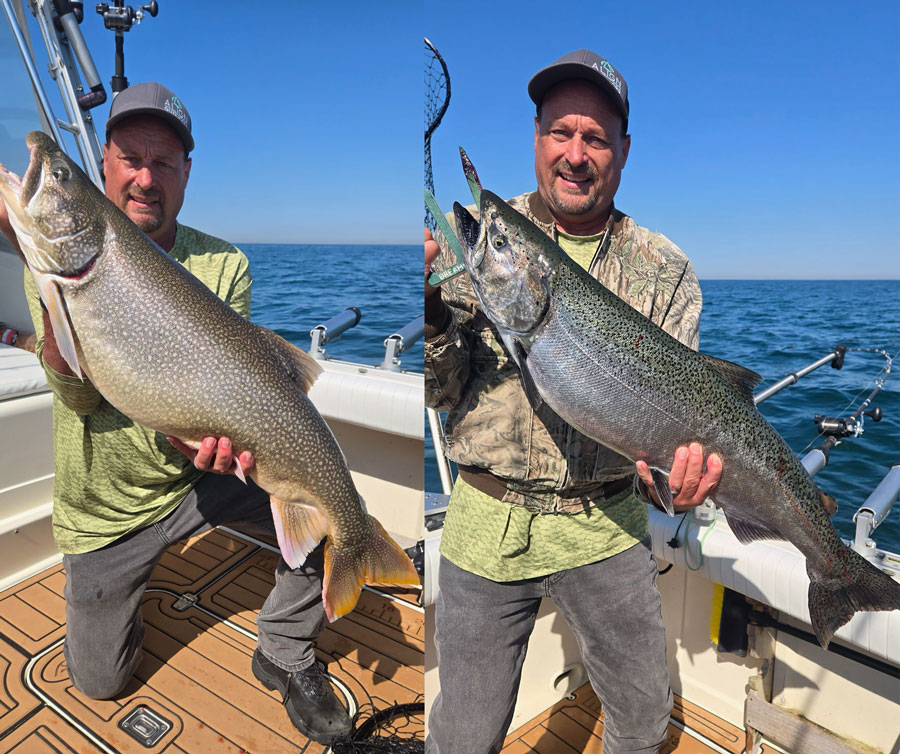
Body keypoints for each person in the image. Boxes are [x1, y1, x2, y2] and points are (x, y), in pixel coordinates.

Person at [0, 82, 352, 745]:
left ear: (187, 172)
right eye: (130, 158)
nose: (144, 178)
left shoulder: (226, 263)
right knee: (99, 681)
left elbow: (243, 385)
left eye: (164, 163)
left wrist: (219, 442)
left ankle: (282, 649)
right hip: (105, 511)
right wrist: (44, 284)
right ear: (104, 161)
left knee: (328, 495)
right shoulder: (48, 260)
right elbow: (78, 392)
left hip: (198, 480)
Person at [424, 50, 723, 754]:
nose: (576, 154)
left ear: (622, 150)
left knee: (645, 721)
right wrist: (433, 312)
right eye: (561, 132)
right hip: (484, 521)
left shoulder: (666, 268)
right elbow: (441, 391)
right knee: (462, 738)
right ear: (536, 138)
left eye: (595, 137)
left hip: (606, 525)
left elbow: (665, 437)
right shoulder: (487, 245)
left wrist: (675, 485)